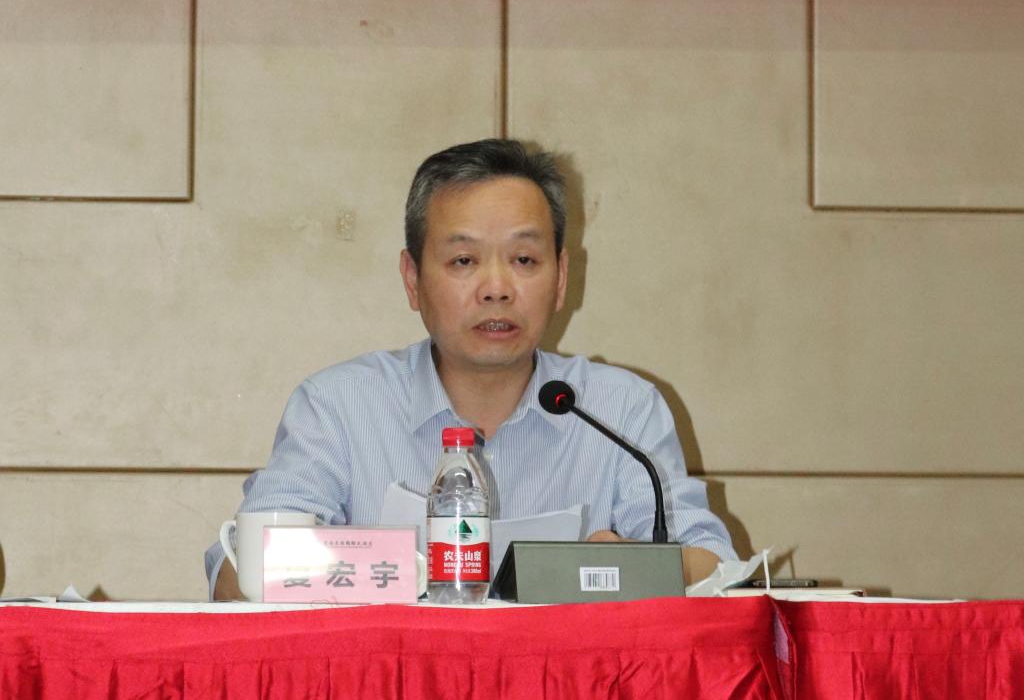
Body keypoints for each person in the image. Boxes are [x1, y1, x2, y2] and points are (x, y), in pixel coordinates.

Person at [206, 139, 735, 600]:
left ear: (560, 278)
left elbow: (715, 565)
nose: (497, 288)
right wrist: (378, 565)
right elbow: (236, 578)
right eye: (464, 261)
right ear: (412, 279)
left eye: (524, 260)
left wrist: (622, 565)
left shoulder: (619, 409)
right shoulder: (339, 406)